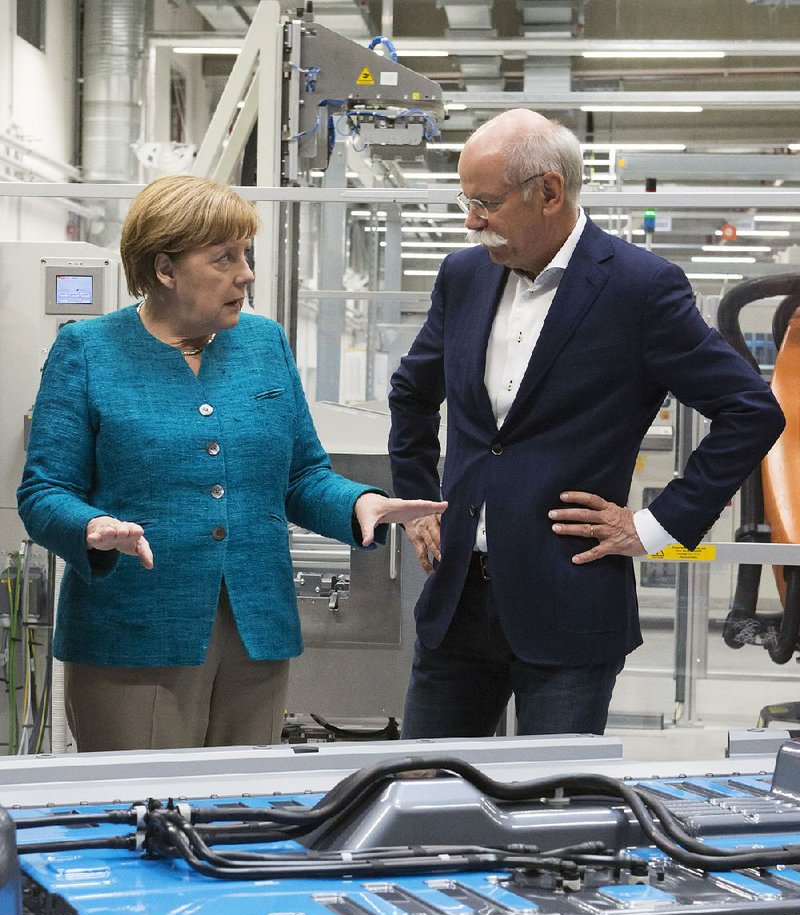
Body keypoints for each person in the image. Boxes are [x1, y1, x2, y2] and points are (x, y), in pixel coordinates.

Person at [388, 108, 785, 740]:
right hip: (457, 602)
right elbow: (412, 393)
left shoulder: (639, 289)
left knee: (556, 812)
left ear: (548, 192)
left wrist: (655, 526)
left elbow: (750, 410)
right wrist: (416, 501)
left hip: (567, 603)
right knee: (422, 792)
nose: (471, 221)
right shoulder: (463, 276)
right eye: (465, 201)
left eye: (485, 203)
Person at [18, 174, 446, 753]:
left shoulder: (264, 344)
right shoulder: (88, 350)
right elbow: (44, 490)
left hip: (256, 633)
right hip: (136, 631)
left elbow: (301, 476)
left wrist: (361, 503)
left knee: (243, 817)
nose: (245, 273)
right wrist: (91, 528)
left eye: (246, 255)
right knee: (147, 816)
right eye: (223, 258)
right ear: (165, 269)